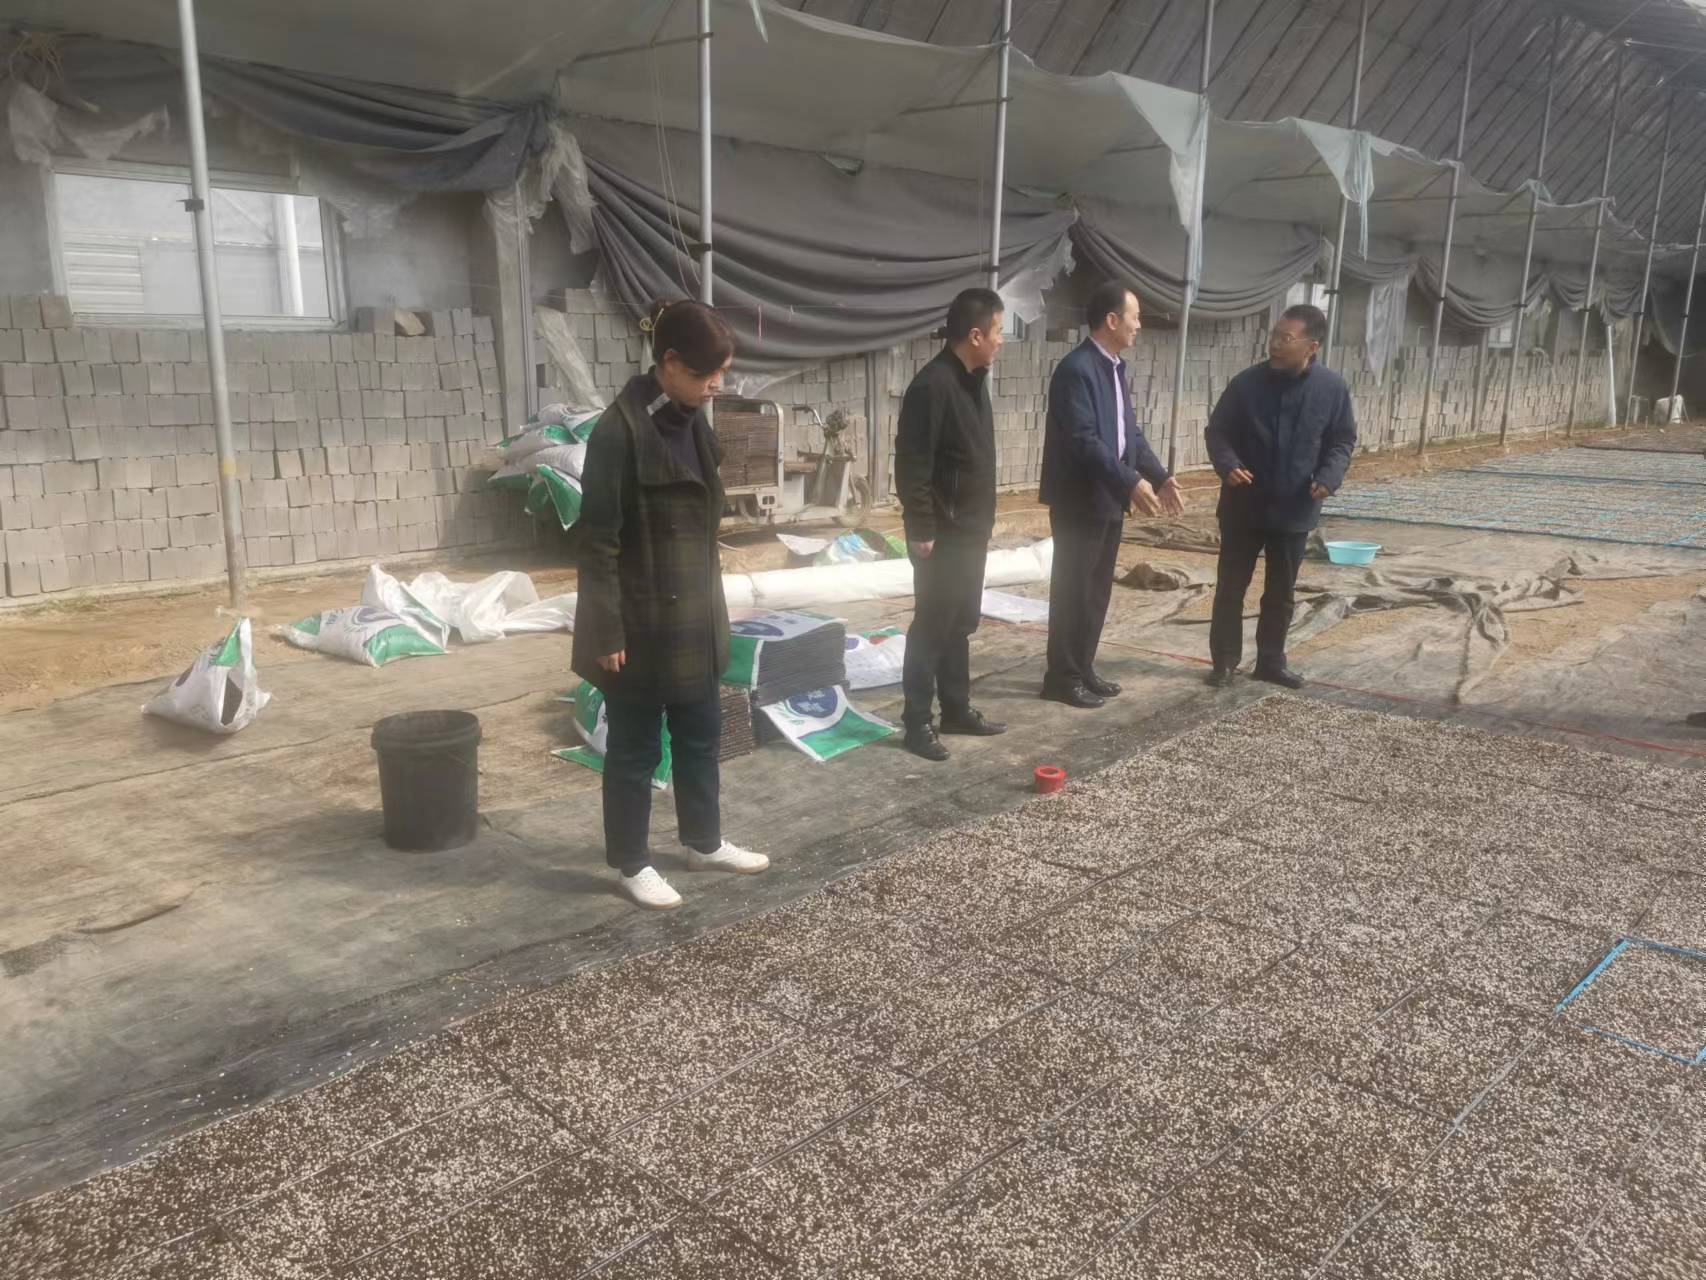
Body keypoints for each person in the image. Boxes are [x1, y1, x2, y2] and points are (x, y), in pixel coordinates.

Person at [572, 299, 769, 910]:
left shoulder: (693, 422)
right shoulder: (620, 432)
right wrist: (606, 629)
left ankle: (702, 842)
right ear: (671, 362)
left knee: (701, 732)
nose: (718, 385)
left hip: (694, 616)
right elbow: (598, 541)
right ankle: (631, 863)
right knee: (635, 748)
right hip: (639, 620)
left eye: (723, 372)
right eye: (708, 373)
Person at [1039, 281, 1184, 709]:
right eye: (1135, 316)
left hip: (1108, 498)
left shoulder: (1114, 368)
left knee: (1096, 590)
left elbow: (1128, 435)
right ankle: (1061, 678)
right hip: (1080, 500)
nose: (1139, 325)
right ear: (1111, 320)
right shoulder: (1077, 370)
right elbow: (1083, 440)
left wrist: (1159, 476)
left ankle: (1083, 667)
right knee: (1073, 590)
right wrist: (1129, 481)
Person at [1205, 302, 1357, 690]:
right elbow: (1218, 431)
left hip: (1295, 506)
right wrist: (1228, 463)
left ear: (1312, 346)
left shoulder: (1331, 389)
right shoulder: (1246, 384)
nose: (1274, 344)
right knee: (1231, 588)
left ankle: (1271, 662)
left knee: (1281, 593)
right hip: (1244, 504)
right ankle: (1224, 662)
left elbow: (1342, 441)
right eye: (1274, 336)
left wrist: (1329, 476)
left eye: (1285, 338)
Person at [894, 287, 1011, 762]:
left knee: (960, 624)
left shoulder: (973, 380)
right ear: (976, 335)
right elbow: (912, 464)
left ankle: (956, 709)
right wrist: (921, 527)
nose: (1002, 340)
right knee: (932, 626)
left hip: (971, 529)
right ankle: (916, 722)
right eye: (999, 330)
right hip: (942, 534)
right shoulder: (933, 386)